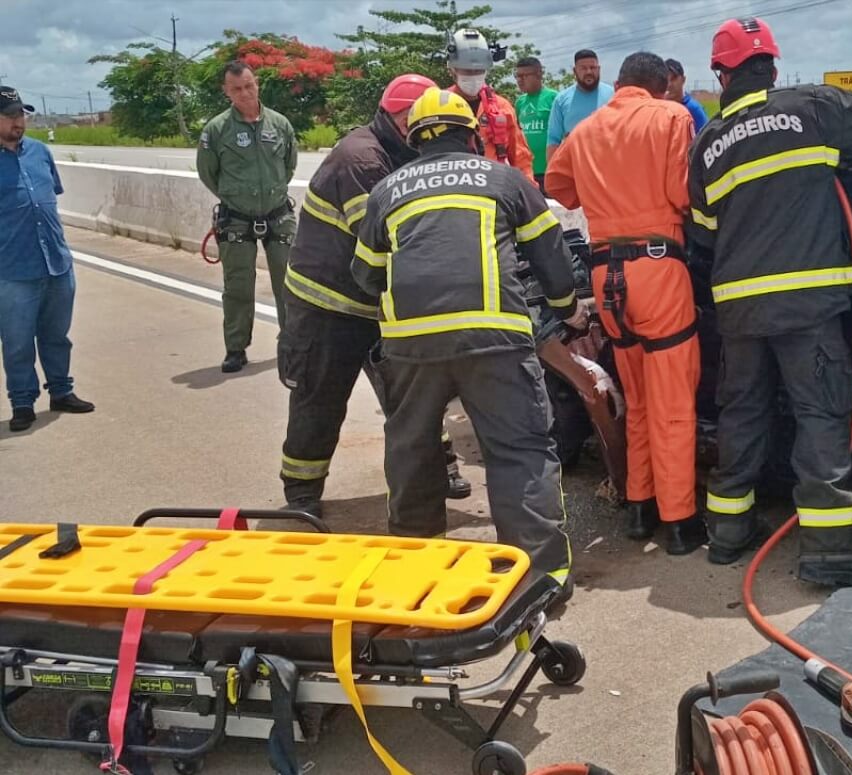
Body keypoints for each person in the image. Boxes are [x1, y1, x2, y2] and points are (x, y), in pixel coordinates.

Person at [687, 17, 852, 586]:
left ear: (720, 72)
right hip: (807, 305)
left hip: (739, 311)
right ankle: (828, 554)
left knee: (742, 416)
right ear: (773, 66)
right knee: (820, 417)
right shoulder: (814, 108)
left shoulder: (707, 145)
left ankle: (727, 536)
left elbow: (703, 231)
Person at [352, 87, 589, 588]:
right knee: (519, 451)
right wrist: (567, 312)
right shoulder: (505, 179)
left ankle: (416, 571)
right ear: (472, 135)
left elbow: (366, 275)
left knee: (412, 451)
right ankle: (541, 579)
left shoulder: (388, 190)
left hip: (412, 345)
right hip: (496, 338)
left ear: (414, 140)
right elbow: (551, 258)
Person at [278, 74, 471, 519]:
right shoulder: (362, 159)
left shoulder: (407, 151)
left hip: (380, 300)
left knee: (415, 394)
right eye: (423, 121)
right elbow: (387, 238)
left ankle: (438, 471)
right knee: (320, 398)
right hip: (329, 305)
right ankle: (302, 490)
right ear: (401, 117)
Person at [545, 52, 704, 555]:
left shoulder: (587, 129)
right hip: (659, 270)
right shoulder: (672, 116)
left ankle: (639, 508)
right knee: (673, 403)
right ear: (660, 87)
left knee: (635, 399)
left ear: (619, 84)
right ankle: (678, 522)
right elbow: (685, 195)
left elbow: (558, 188)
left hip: (605, 276)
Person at [0, 85, 94, 432]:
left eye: (20, 115)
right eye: (9, 116)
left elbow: (48, 199)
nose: (17, 122)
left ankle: (61, 391)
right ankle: (22, 402)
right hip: (12, 270)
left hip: (55, 262)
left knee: (57, 335)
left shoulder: (40, 152)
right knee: (17, 341)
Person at [197, 60, 298, 374]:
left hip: (278, 214)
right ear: (226, 91)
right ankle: (236, 348)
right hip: (237, 217)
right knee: (239, 285)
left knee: (290, 283)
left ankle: (293, 343)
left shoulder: (280, 124)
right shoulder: (216, 130)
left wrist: (271, 193)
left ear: (257, 85)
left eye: (249, 86)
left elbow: (289, 165)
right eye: (237, 88)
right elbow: (208, 173)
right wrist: (237, 197)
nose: (244, 93)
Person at [446, 29, 535, 180]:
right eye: (467, 71)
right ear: (452, 70)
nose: (473, 76)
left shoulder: (502, 107)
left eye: (478, 71)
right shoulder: (438, 106)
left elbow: (520, 158)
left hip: (494, 189)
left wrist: (530, 194)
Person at [546, 49, 613, 161]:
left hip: (608, 166)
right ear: (575, 71)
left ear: (599, 69)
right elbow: (553, 139)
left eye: (593, 68)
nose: (589, 72)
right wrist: (552, 173)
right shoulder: (561, 100)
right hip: (574, 167)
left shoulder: (614, 95)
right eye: (583, 68)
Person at [514, 56, 559, 190]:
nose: (519, 80)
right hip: (526, 172)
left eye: (524, 76)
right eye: (517, 76)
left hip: (549, 171)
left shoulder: (554, 98)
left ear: (539, 74)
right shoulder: (519, 103)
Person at [665, 58, 708, 132]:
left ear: (683, 80)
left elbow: (707, 138)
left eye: (673, 78)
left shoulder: (694, 109)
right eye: (665, 79)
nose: (669, 84)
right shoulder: (659, 108)